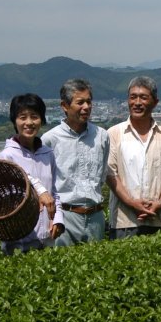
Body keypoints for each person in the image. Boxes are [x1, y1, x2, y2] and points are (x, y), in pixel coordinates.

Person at [106, 76, 161, 239]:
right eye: (133, 97)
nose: (137, 102)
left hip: (159, 219)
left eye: (143, 97)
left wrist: (160, 202)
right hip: (124, 221)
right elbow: (110, 174)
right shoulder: (113, 134)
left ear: (155, 102)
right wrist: (131, 203)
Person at [41, 79, 110, 246]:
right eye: (80, 102)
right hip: (64, 215)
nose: (86, 107)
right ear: (65, 106)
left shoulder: (102, 135)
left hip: (95, 215)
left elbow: (101, 176)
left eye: (89, 101)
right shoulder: (50, 139)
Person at [0, 93, 64, 253]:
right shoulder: (7, 156)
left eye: (34, 116)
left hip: (47, 239)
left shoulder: (48, 153)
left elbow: (54, 192)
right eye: (22, 117)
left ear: (41, 119)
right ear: (15, 121)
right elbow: (5, 201)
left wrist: (58, 219)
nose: (29, 122)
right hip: (18, 243)